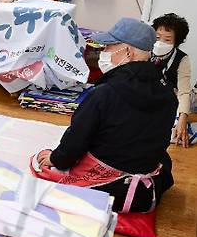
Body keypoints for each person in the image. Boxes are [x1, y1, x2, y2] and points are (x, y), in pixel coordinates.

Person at [32, 18, 178, 213]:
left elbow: (77, 139)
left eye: (109, 47)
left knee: (43, 161)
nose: (103, 53)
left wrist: (56, 159)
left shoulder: (105, 93)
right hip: (144, 189)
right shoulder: (168, 92)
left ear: (127, 52)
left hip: (109, 184)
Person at [151, 13, 194, 148]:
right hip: (148, 96)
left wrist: (182, 118)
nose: (160, 43)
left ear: (176, 42)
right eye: (157, 37)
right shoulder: (145, 50)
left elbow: (184, 92)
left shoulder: (182, 59)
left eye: (167, 39)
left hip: (171, 98)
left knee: (175, 135)